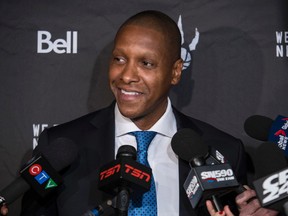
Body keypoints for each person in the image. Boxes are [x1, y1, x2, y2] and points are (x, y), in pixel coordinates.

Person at [1, 10, 275, 216]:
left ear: (175, 71)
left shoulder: (224, 150)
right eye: (119, 59)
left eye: (146, 63)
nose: (127, 76)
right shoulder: (60, 147)